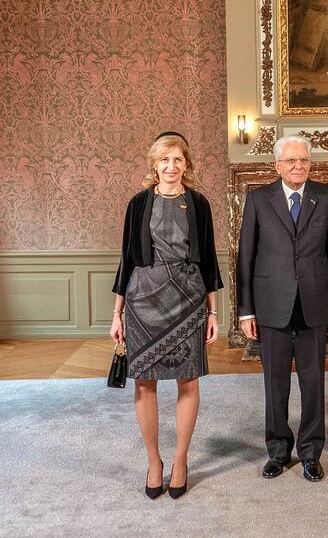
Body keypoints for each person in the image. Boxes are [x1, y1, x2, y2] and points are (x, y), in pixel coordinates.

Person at [110, 131, 223, 500]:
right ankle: (154, 461)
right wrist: (117, 314)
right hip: (143, 299)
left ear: (186, 165)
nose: (171, 166)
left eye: (177, 160)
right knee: (145, 383)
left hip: (189, 299)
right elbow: (126, 260)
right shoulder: (138, 204)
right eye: (164, 160)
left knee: (188, 381)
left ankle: (180, 460)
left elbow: (208, 260)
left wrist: (212, 312)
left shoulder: (199, 203)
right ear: (154, 165)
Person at [236, 135, 328, 482]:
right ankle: (278, 450)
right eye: (292, 161)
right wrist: (246, 311)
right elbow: (246, 258)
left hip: (315, 301)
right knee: (275, 383)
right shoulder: (258, 199)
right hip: (271, 304)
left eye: (305, 161)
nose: (299, 166)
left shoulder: (325, 197)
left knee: (313, 383)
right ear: (277, 165)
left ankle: (311, 452)